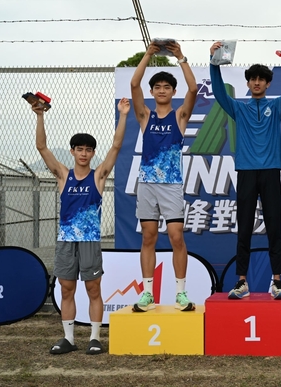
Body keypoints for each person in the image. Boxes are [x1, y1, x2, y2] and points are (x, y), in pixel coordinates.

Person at [34, 97, 130, 355]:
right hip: (66, 241)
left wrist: (122, 115)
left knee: (93, 288)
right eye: (79, 149)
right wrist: (40, 115)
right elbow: (41, 147)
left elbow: (116, 146)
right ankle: (68, 338)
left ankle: (94, 338)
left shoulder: (98, 176)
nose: (84, 153)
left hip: (89, 241)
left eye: (88, 150)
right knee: (67, 289)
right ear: (73, 151)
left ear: (93, 153)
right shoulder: (63, 175)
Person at [209, 42, 281, 300]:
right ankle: (242, 282)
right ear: (248, 83)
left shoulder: (277, 106)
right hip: (246, 172)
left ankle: (277, 282)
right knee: (245, 227)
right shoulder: (239, 108)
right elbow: (219, 92)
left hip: (270, 172)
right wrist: (214, 63)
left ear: (268, 84)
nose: (257, 83)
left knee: (274, 228)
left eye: (261, 79)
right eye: (253, 79)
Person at [130, 42, 198, 312]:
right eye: (157, 87)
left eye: (166, 87)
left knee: (176, 236)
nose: (161, 90)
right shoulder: (145, 116)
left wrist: (180, 57)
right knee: (148, 237)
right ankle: (147, 293)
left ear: (173, 92)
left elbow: (193, 89)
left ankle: (181, 293)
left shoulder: (179, 116)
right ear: (152, 92)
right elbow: (134, 85)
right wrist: (148, 54)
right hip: (147, 184)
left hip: (171, 185)